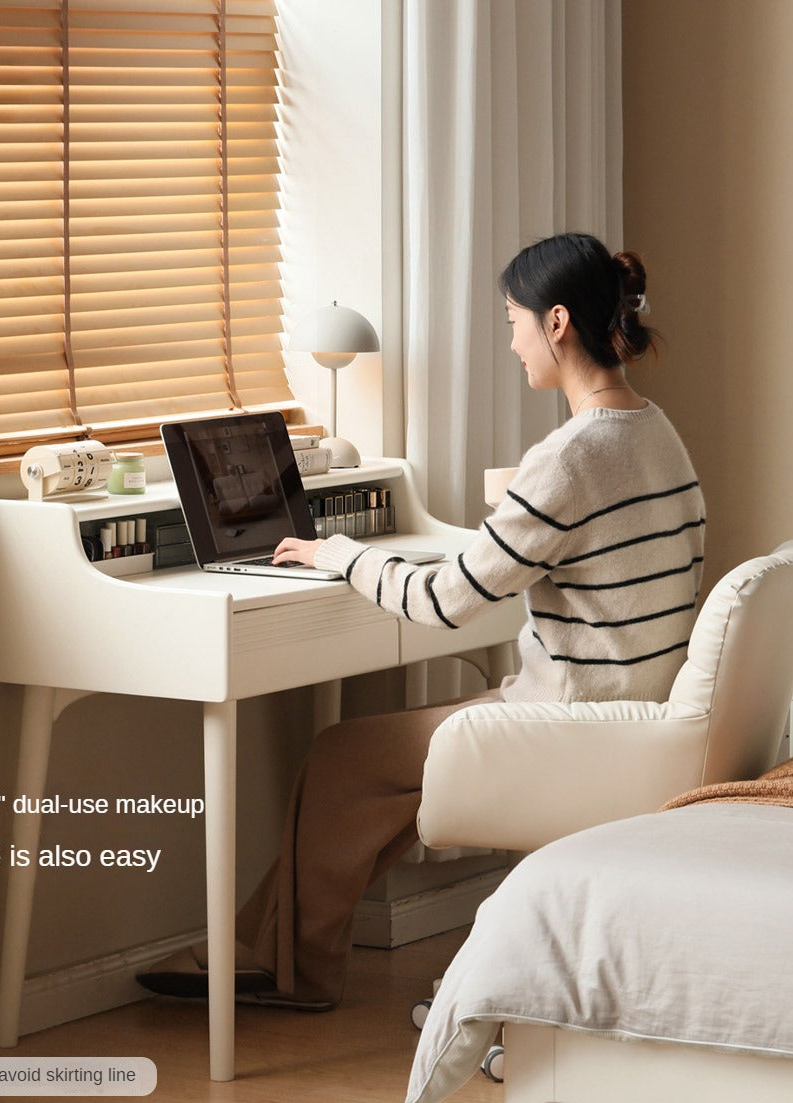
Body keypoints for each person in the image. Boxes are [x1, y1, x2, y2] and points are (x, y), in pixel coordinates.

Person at [138, 232, 706, 1009]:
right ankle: (274, 953)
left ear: (559, 322)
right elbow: (525, 561)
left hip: (571, 723)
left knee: (343, 758)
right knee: (378, 764)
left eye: (513, 321)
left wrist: (341, 554)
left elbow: (445, 603)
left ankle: (285, 965)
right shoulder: (657, 432)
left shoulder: (571, 455)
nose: (511, 342)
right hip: (634, 711)